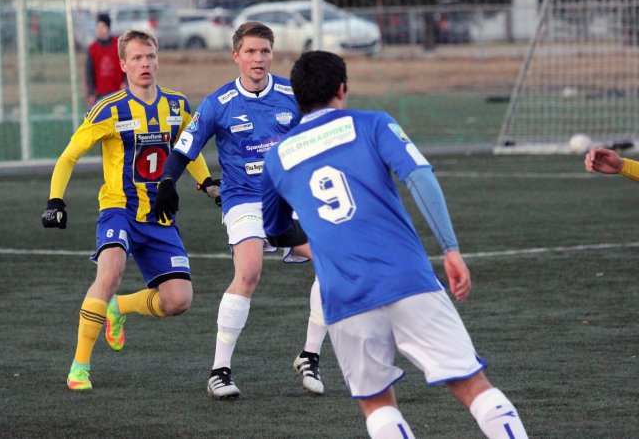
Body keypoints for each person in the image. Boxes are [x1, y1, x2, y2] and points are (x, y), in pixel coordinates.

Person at [261, 51, 529, 439]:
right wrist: (450, 248)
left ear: (296, 98)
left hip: (344, 295)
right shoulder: (372, 124)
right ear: (342, 88)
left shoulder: (277, 159)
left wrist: (323, 247)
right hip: (407, 278)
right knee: (472, 385)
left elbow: (276, 230)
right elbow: (419, 177)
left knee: (378, 406)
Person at [153, 22, 329, 399]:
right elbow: (184, 148)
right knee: (248, 271)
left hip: (290, 199)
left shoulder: (291, 94)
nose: (258, 58)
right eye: (250, 51)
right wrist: (168, 182)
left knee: (335, 264)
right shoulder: (218, 103)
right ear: (236, 56)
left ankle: (310, 355)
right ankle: (220, 371)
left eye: (264, 51)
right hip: (244, 198)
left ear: (272, 54)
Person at [42, 30, 219, 391]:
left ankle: (119, 308)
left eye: (150, 56)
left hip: (159, 216)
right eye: (137, 58)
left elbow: (189, 148)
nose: (145, 64)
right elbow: (69, 155)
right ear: (123, 64)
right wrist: (55, 200)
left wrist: (206, 182)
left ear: (158, 60)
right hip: (118, 210)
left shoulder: (177, 105)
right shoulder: (109, 109)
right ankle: (80, 367)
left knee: (179, 300)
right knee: (110, 272)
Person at [85, 13, 126, 107]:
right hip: (101, 94)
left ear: (108, 28)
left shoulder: (118, 44)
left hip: (119, 92)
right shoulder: (92, 48)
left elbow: (127, 64)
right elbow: (89, 73)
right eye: (98, 27)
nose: (99, 30)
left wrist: (126, 82)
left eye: (102, 27)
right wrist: (90, 93)